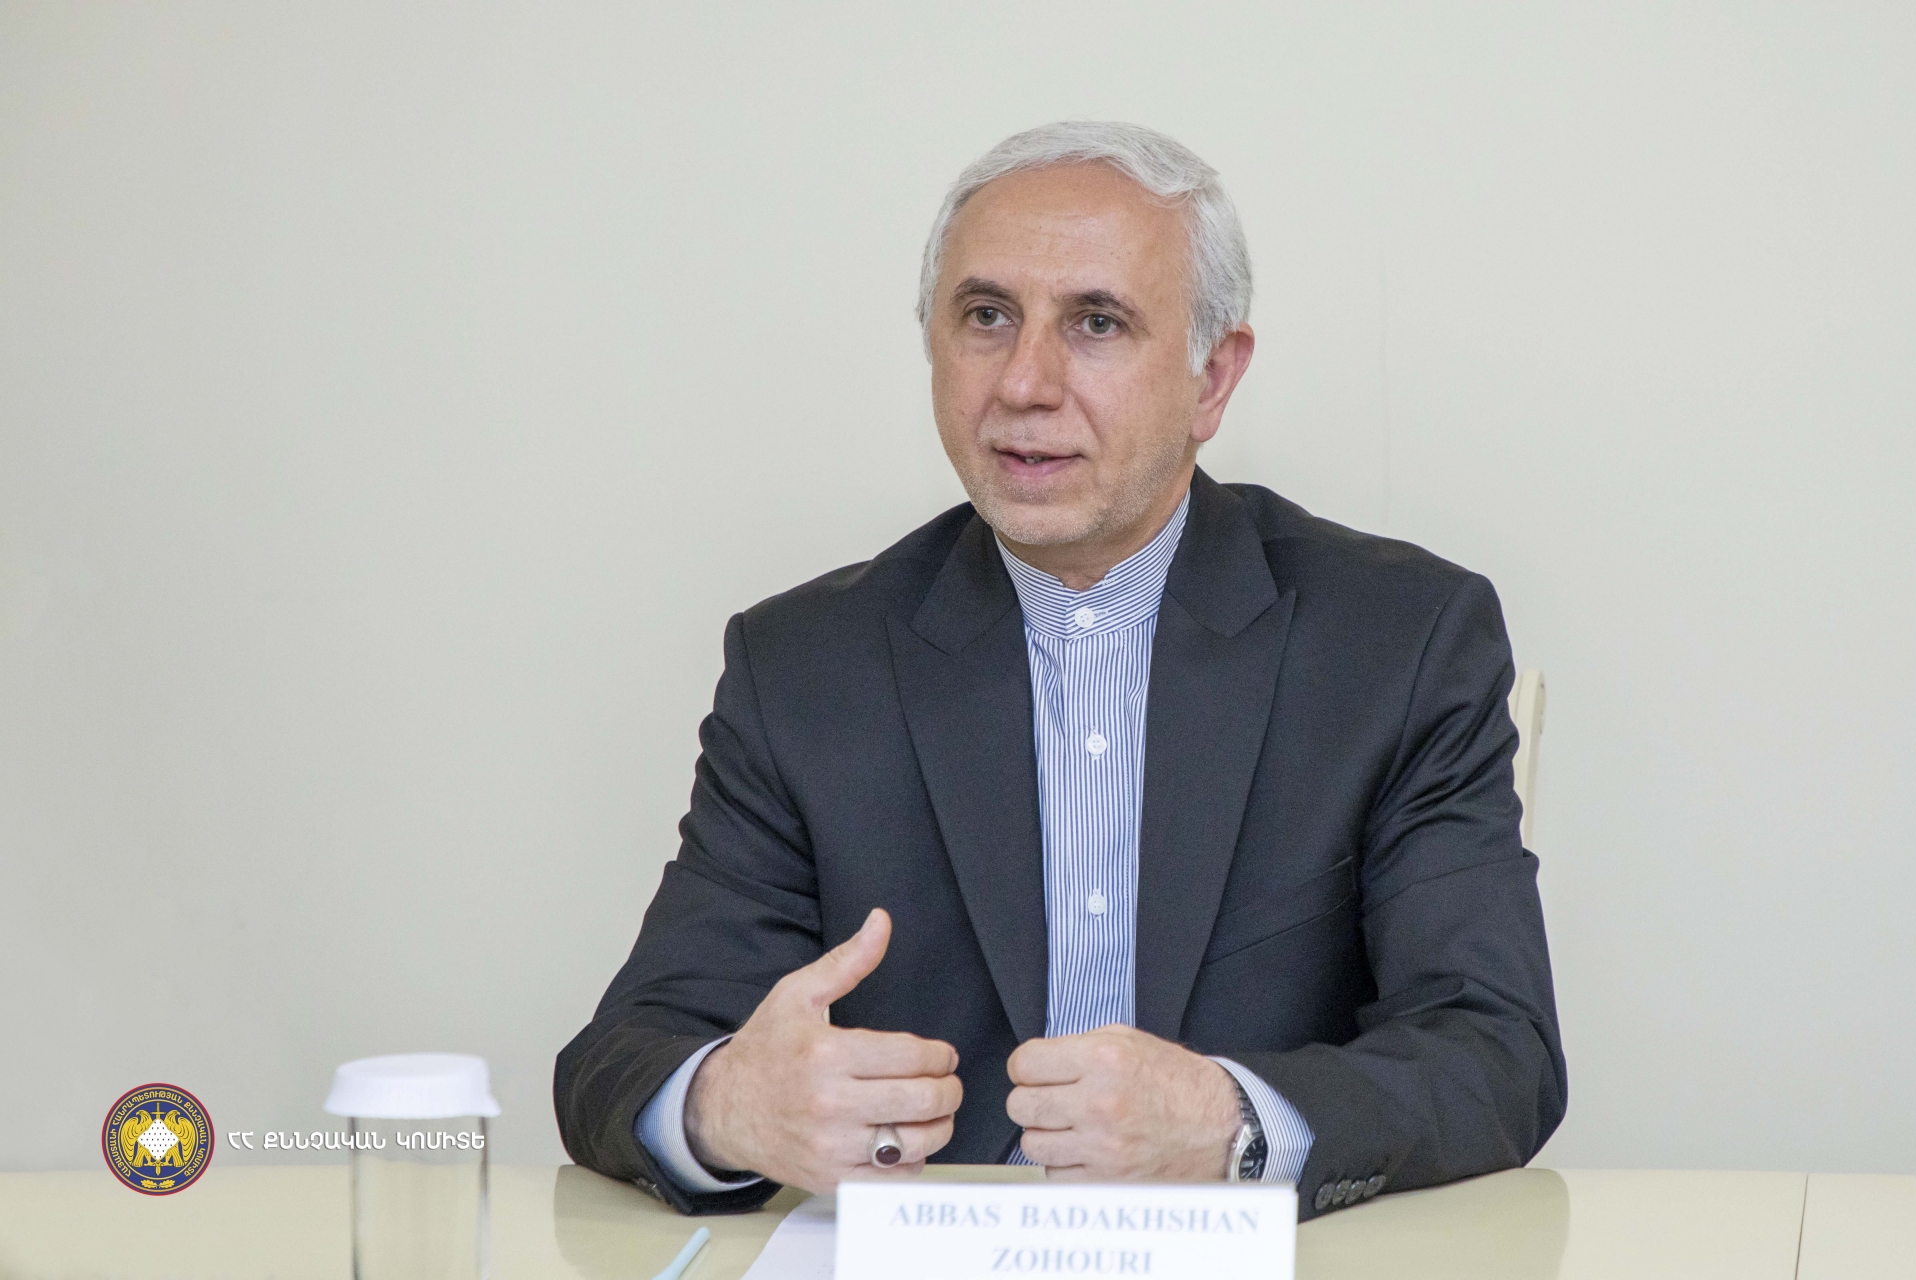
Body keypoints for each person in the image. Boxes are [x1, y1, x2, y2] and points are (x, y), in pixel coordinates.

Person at [554, 120, 1566, 1219]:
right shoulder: (805, 667)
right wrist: (727, 1106)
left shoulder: (1398, 643)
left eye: (1096, 323)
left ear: (1213, 378)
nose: (1025, 383)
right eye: (987, 317)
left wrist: (1229, 1122)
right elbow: (622, 1058)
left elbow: (1494, 1048)